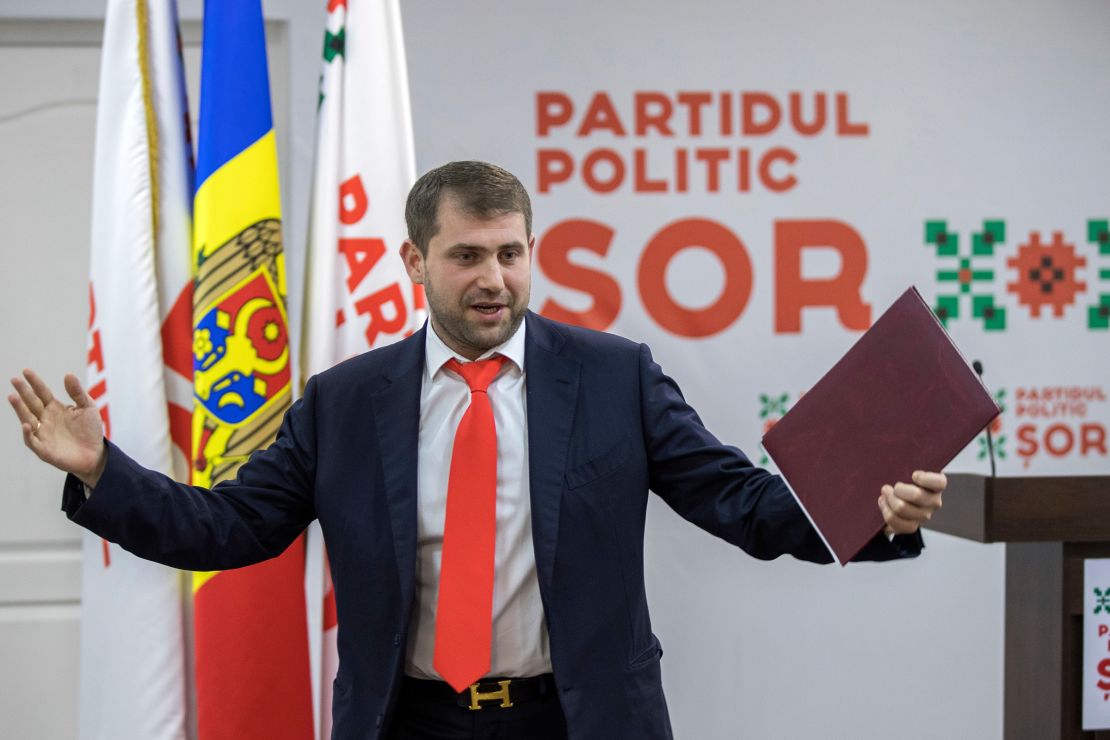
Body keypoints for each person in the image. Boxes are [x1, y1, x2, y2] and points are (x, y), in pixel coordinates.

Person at [9, 161, 946, 740]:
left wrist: (873, 505)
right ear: (414, 263)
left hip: (576, 722)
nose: (494, 279)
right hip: (406, 722)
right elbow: (235, 527)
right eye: (467, 256)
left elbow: (740, 504)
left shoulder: (615, 378)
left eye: (512, 252)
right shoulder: (344, 402)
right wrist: (102, 469)